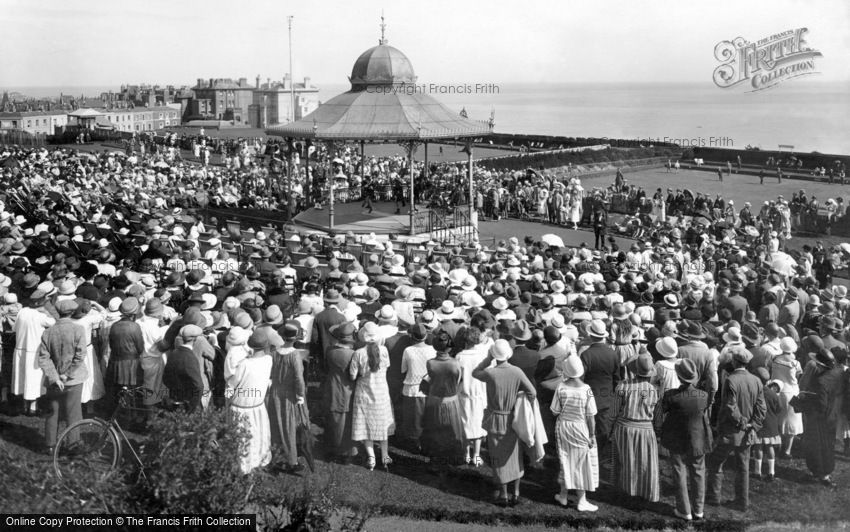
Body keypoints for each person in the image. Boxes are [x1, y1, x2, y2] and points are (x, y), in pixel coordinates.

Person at [472, 339, 536, 507]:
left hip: (495, 419)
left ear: (494, 355)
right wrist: (522, 406)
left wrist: (488, 358)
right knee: (514, 457)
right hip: (512, 419)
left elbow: (475, 372)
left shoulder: (490, 372)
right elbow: (532, 392)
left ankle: (504, 493)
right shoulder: (517, 371)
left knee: (498, 457)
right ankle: (515, 492)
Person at [706, 347, 766, 511]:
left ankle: (714, 497)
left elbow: (730, 406)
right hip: (748, 433)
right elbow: (762, 408)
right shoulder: (756, 380)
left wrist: (741, 422)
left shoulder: (730, 380)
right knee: (743, 467)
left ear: (734, 361)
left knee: (715, 462)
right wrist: (753, 425)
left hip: (730, 430)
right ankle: (742, 501)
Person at [656, 358, 712, 522]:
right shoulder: (703, 396)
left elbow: (660, 412)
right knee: (698, 472)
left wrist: (658, 430)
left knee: (679, 472)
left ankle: (684, 510)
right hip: (698, 438)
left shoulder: (671, 395)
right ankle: (699, 510)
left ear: (679, 377)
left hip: (676, 439)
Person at [37, 300, 86, 454]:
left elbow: (44, 358)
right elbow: (80, 356)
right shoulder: (78, 329)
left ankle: (50, 445)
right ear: (72, 312)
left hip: (54, 379)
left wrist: (55, 377)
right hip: (74, 378)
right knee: (73, 412)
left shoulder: (48, 332)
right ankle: (73, 444)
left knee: (53, 412)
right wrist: (66, 374)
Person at [550, 355, 599, 512]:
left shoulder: (561, 388)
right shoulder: (587, 390)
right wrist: (591, 435)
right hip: (580, 427)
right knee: (581, 462)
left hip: (563, 426)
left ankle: (563, 495)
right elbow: (591, 417)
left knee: (565, 459)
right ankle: (581, 500)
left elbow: (555, 411)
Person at [610, 353, 660, 503]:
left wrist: (610, 430)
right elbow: (658, 416)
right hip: (646, 429)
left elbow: (613, 412)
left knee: (625, 460)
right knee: (645, 462)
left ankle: (626, 490)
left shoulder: (623, 385)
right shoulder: (655, 390)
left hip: (624, 428)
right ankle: (644, 491)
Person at [226, 327, 274, 474]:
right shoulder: (268, 360)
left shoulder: (244, 364)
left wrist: (227, 395)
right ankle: (257, 463)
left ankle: (242, 468)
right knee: (257, 436)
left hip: (241, 406)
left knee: (242, 441)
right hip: (257, 406)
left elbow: (231, 385)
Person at [350, 321, 395, 470]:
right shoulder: (384, 351)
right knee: (382, 424)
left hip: (364, 392)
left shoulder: (358, 353)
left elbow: (352, 375)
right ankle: (385, 455)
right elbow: (386, 368)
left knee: (365, 424)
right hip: (381, 391)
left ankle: (371, 457)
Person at [421, 330, 465, 477]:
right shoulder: (456, 364)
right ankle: (449, 461)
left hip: (434, 401)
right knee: (451, 431)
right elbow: (459, 382)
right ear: (450, 346)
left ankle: (435, 461)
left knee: (434, 431)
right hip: (451, 401)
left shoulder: (430, 363)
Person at [268, 321, 308, 473]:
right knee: (289, 425)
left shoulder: (274, 352)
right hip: (289, 394)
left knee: (276, 425)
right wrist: (300, 395)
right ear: (295, 339)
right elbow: (298, 378)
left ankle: (276, 456)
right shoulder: (295, 355)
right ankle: (292, 460)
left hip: (275, 392)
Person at [12, 288, 56, 415]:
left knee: (22, 378)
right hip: (33, 351)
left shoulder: (22, 312)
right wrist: (46, 311)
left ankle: (24, 405)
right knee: (33, 380)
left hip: (20, 350)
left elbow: (15, 328)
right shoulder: (41, 316)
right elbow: (54, 322)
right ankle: (32, 407)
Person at [323, 321, 357, 463]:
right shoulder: (353, 354)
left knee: (333, 418)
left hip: (332, 386)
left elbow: (325, 368)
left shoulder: (330, 351)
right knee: (347, 420)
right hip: (348, 388)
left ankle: (332, 449)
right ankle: (346, 452)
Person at [455, 326, 488, 466]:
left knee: (465, 424)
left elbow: (458, 378)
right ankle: (476, 454)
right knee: (478, 424)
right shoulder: (483, 356)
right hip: (480, 393)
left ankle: (466, 453)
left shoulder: (460, 357)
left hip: (464, 393)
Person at [400, 324, 436, 449]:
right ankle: (423, 441)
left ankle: (416, 442)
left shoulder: (408, 350)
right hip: (427, 387)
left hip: (413, 387)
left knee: (414, 418)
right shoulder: (432, 350)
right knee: (427, 417)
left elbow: (403, 369)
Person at [768, 337, 803, 459]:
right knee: (791, 422)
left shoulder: (774, 359)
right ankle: (787, 451)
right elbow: (799, 376)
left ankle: (777, 445)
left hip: (777, 390)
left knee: (777, 418)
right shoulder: (795, 363)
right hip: (791, 392)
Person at [162, 325, 205, 413]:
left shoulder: (174, 353)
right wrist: (193, 407)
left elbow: (165, 378)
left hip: (175, 399)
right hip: (188, 403)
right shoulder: (190, 357)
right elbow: (198, 386)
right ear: (195, 339)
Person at [753, 370, 782, 482]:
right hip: (771, 423)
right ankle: (771, 472)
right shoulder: (773, 394)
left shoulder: (755, 392)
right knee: (770, 446)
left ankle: (757, 472)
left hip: (759, 423)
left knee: (758, 446)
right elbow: (779, 408)